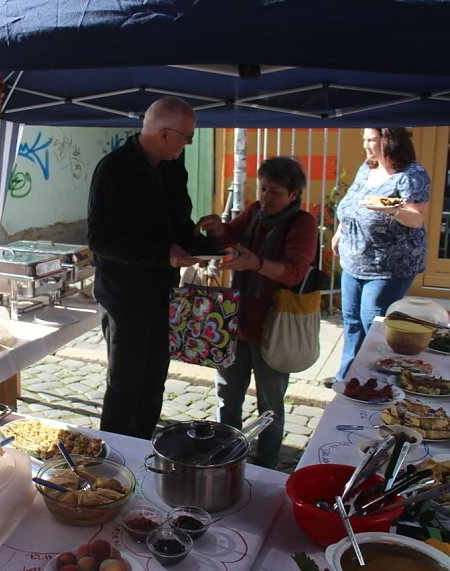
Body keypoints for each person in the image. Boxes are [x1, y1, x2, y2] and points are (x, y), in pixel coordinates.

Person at [87, 96, 202, 439]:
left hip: (163, 295)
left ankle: (143, 451)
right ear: (165, 134)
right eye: (188, 136)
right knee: (124, 388)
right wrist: (162, 254)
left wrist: (204, 240)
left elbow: (178, 226)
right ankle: (115, 464)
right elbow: (99, 240)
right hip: (124, 299)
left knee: (154, 384)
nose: (189, 143)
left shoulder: (172, 168)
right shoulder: (113, 169)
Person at [196, 157, 318, 469]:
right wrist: (219, 227)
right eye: (263, 189)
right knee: (227, 395)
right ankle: (226, 457)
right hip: (236, 324)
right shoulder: (254, 211)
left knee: (271, 406)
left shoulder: (302, 223)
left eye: (275, 192)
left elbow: (293, 271)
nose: (265, 197)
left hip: (275, 329)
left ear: (294, 194)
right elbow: (231, 234)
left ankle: (266, 465)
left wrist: (257, 264)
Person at [325, 128, 430, 387]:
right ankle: (347, 377)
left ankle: (374, 381)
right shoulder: (367, 167)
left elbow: (416, 217)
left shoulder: (412, 174)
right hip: (354, 261)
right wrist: (340, 230)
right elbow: (353, 203)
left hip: (388, 267)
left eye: (371, 140)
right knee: (351, 322)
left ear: (389, 140)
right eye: (364, 140)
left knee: (373, 325)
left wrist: (393, 209)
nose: (366, 145)